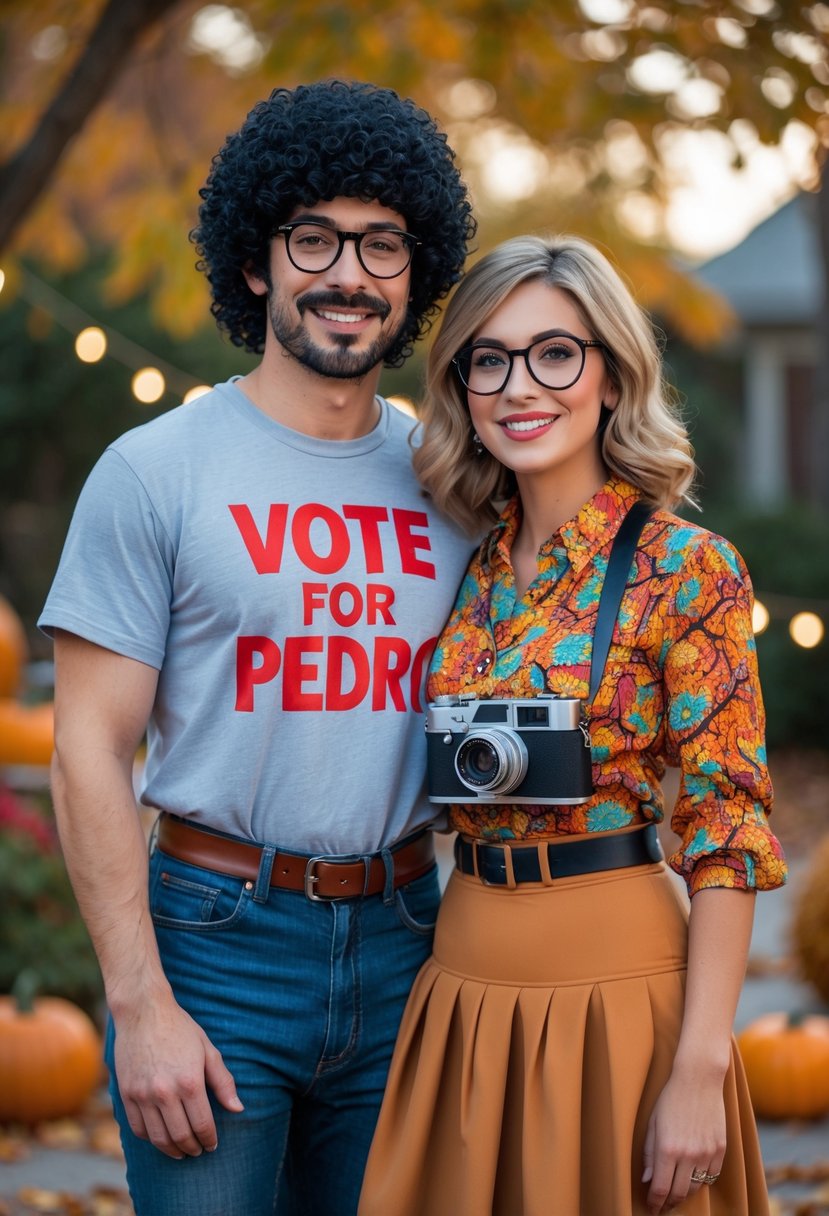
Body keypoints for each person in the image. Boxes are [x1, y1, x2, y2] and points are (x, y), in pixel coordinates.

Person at [38, 79, 477, 1216]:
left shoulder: (456, 480)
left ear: (415, 274)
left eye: (383, 244)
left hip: (410, 938)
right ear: (255, 261)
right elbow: (86, 746)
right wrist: (137, 1004)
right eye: (315, 237)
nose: (350, 273)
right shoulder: (157, 470)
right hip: (218, 940)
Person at [357, 234, 788, 1216]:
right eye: (489, 359)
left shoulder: (688, 567)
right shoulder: (460, 565)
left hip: (618, 989)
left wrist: (698, 1062)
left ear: (610, 373)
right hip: (461, 981)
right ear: (460, 385)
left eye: (555, 353)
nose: (521, 385)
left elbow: (727, 824)